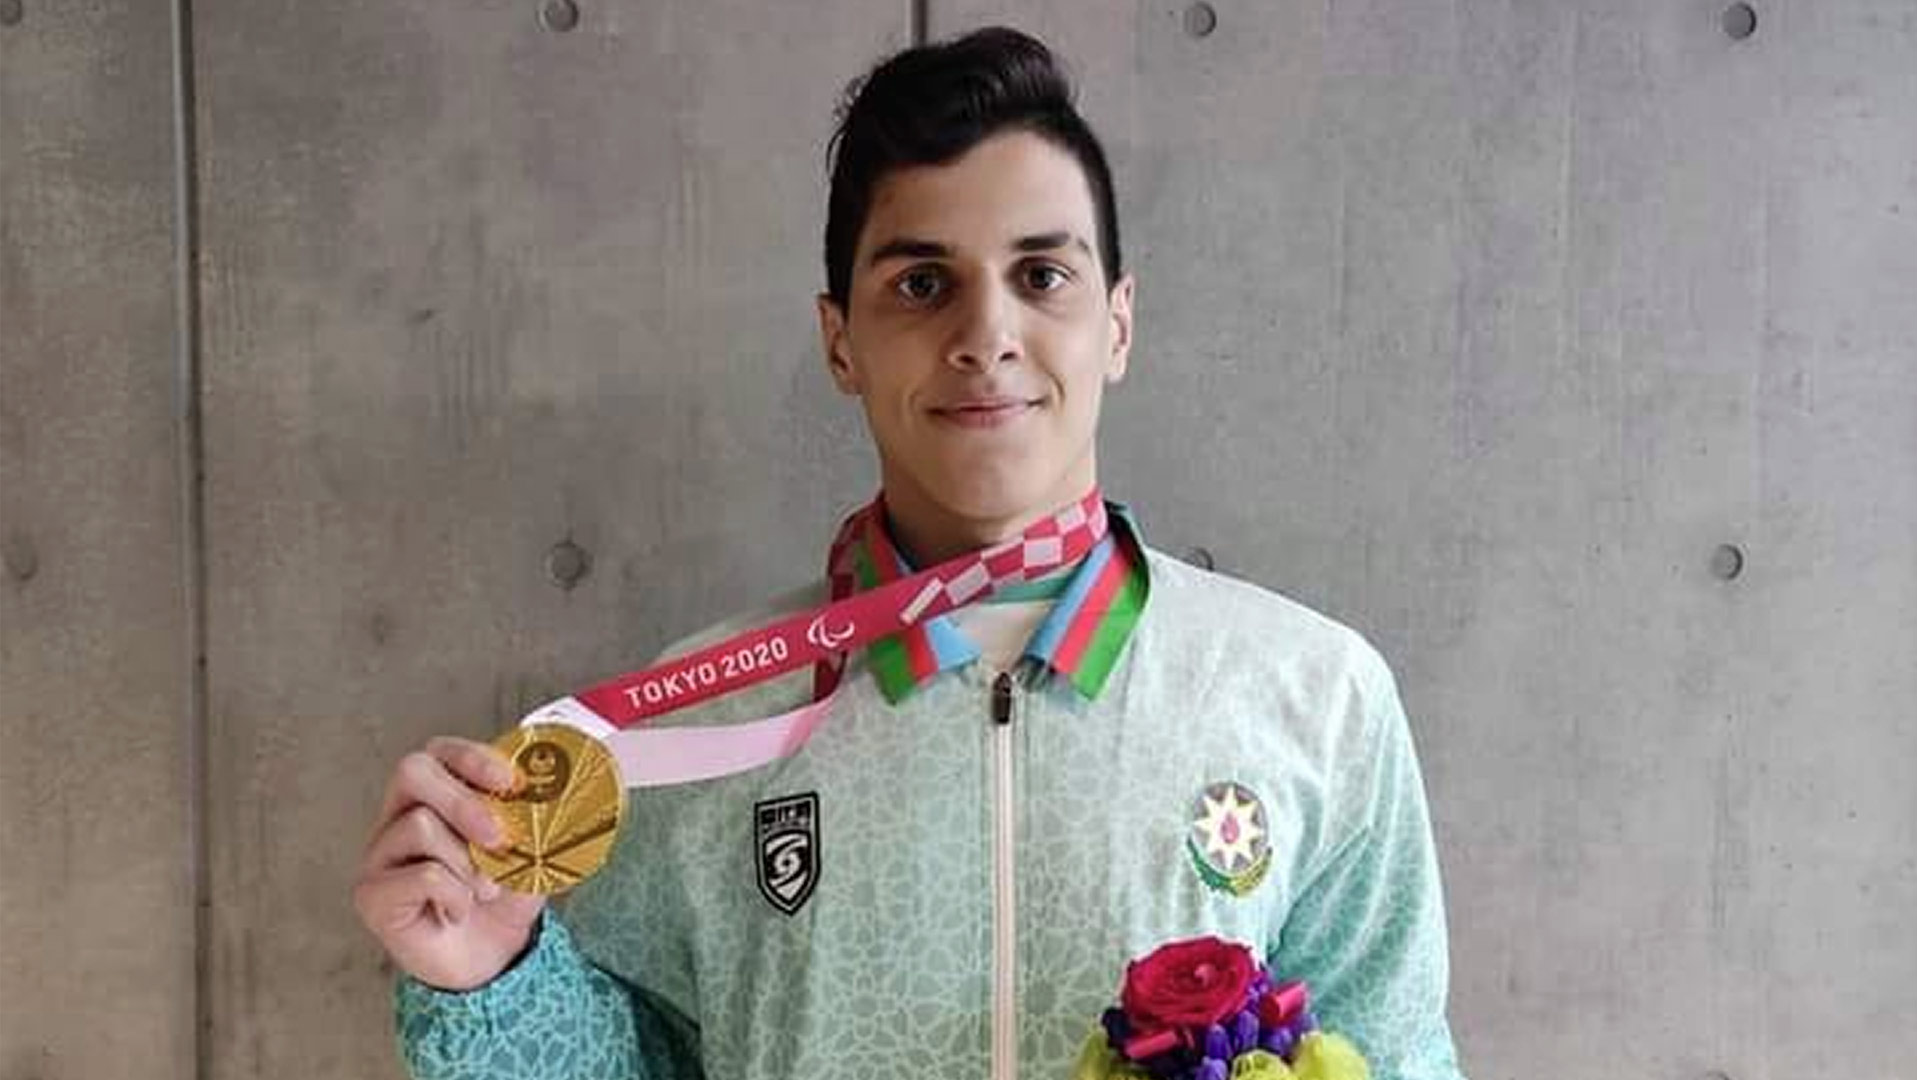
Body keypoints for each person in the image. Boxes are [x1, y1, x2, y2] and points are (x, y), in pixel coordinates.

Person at [354, 26, 1467, 1080]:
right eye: (922, 284)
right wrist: (491, 976)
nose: (986, 336)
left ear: (1118, 323)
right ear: (841, 341)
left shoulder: (1316, 701)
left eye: (1042, 276)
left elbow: (1396, 1051)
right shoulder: (693, 732)